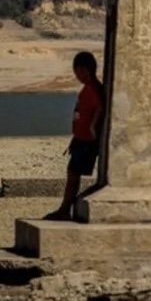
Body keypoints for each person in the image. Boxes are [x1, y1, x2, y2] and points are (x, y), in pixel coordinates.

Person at [43, 52, 105, 221]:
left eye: (77, 71)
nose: (76, 75)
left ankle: (64, 209)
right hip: (80, 139)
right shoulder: (88, 88)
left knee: (73, 174)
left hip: (86, 140)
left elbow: (100, 106)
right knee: (72, 173)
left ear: (84, 70)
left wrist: (93, 127)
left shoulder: (93, 88)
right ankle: (65, 208)